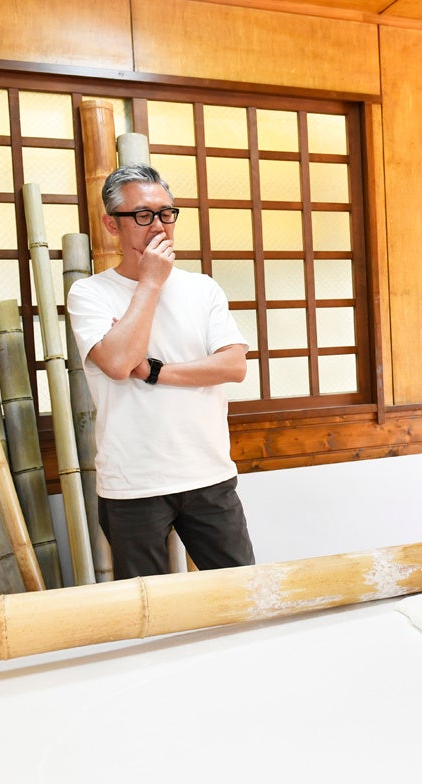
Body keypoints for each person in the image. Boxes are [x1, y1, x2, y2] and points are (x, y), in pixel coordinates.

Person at [67, 164, 255, 580]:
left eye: (166, 213)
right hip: (132, 481)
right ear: (111, 225)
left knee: (240, 592)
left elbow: (234, 365)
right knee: (148, 607)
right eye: (142, 215)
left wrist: (153, 371)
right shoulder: (89, 293)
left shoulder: (202, 287)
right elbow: (118, 364)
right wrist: (150, 283)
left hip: (208, 472)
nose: (158, 225)